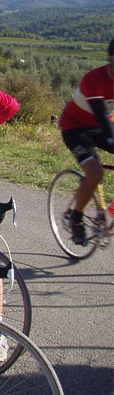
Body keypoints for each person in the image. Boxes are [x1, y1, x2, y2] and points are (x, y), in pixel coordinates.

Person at [58, 39, 114, 245]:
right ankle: (76, 218)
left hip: (100, 126)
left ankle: (107, 210)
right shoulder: (95, 79)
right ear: (110, 59)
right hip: (75, 128)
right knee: (95, 172)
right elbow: (101, 115)